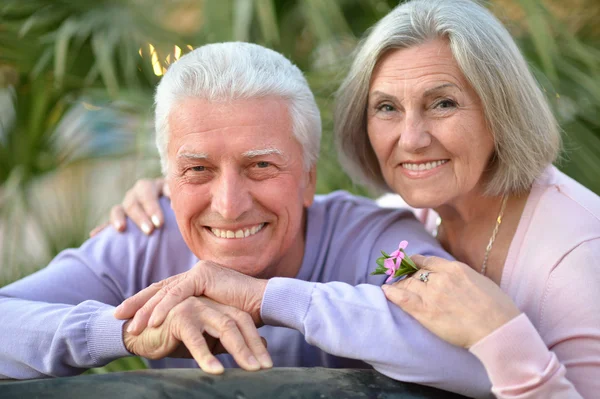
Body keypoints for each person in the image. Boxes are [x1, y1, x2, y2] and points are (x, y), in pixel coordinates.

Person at [108, 0, 600, 398]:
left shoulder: (578, 253)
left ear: (500, 109)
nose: (411, 138)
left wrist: (501, 335)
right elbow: (400, 280)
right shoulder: (414, 222)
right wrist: (185, 184)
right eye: (386, 107)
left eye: (443, 103)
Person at [0, 41, 492, 397]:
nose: (229, 204)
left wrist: (270, 299)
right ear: (167, 180)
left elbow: (480, 359)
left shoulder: (379, 243)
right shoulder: (144, 238)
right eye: (197, 170)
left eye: (261, 166)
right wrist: (127, 331)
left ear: (307, 178)